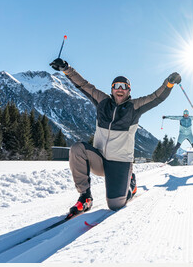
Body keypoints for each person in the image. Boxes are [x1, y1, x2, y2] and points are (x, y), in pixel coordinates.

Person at [49, 57, 181, 215]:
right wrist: (66, 68)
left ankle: (130, 184)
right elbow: (83, 85)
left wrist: (169, 83)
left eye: (124, 87)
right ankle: (85, 197)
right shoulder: (102, 101)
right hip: (99, 159)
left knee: (115, 205)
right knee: (77, 149)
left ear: (129, 91)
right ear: (112, 89)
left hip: (119, 163)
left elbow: (156, 97)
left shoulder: (135, 107)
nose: (120, 89)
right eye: (116, 86)